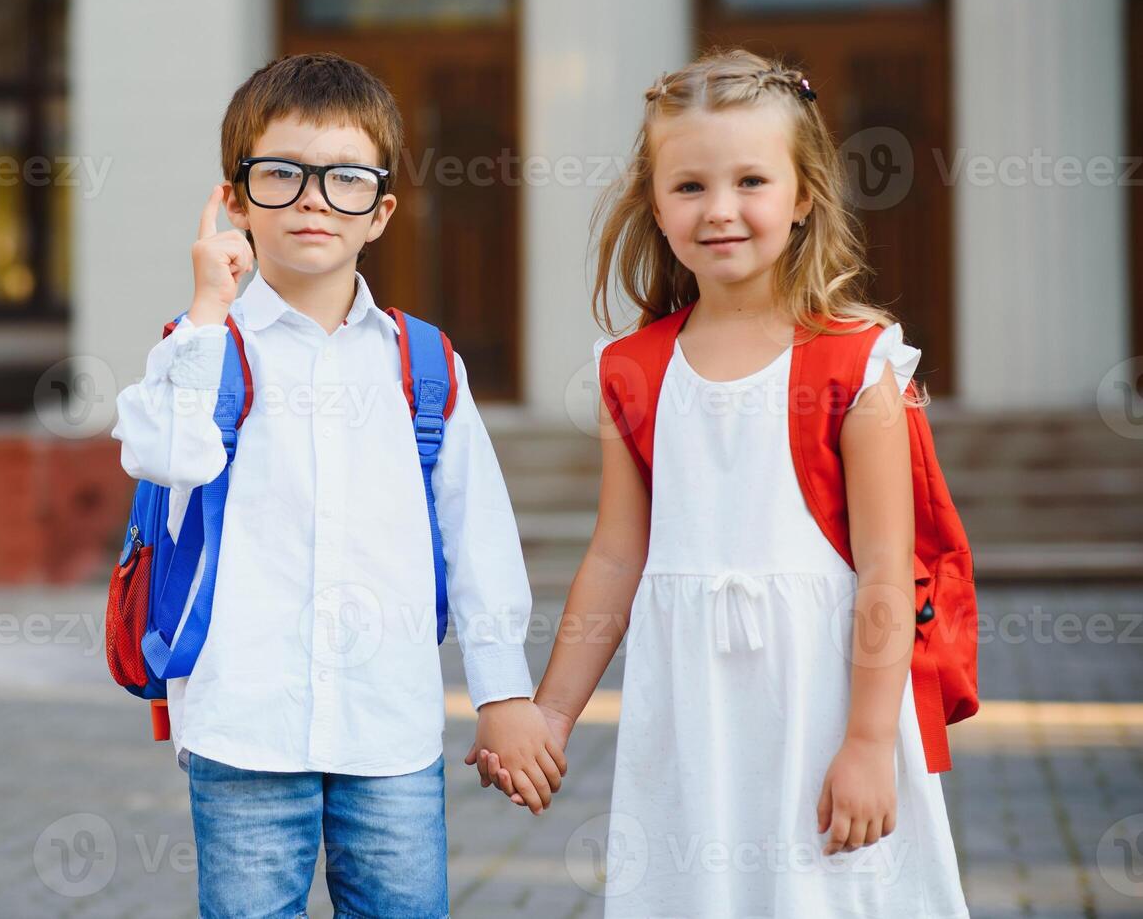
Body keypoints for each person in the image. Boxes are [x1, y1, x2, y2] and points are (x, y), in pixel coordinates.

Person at [476, 47, 970, 916]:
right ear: (654, 203)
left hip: (822, 701)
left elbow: (890, 572)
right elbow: (616, 556)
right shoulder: (632, 371)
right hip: (691, 711)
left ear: (804, 195)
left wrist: (865, 744)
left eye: (751, 181)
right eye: (691, 186)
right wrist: (550, 716)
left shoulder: (857, 365)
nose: (722, 210)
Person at [111, 52, 565, 919]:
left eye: (345, 179)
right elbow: (166, 454)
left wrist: (503, 693)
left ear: (381, 211)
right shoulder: (201, 347)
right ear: (235, 199)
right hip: (242, 727)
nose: (314, 198)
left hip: (387, 730)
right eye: (281, 174)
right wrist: (208, 306)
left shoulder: (421, 363)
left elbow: (478, 536)